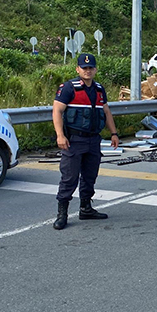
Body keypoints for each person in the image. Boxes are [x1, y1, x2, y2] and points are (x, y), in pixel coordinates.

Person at [52, 53, 119, 230]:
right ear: (78, 69)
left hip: (93, 141)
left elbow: (106, 112)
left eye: (90, 68)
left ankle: (86, 208)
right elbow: (57, 111)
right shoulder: (68, 88)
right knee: (69, 177)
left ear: (95, 69)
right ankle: (62, 214)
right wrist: (60, 135)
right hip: (74, 140)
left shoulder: (98, 89)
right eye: (84, 68)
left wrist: (114, 133)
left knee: (90, 176)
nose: (87, 71)